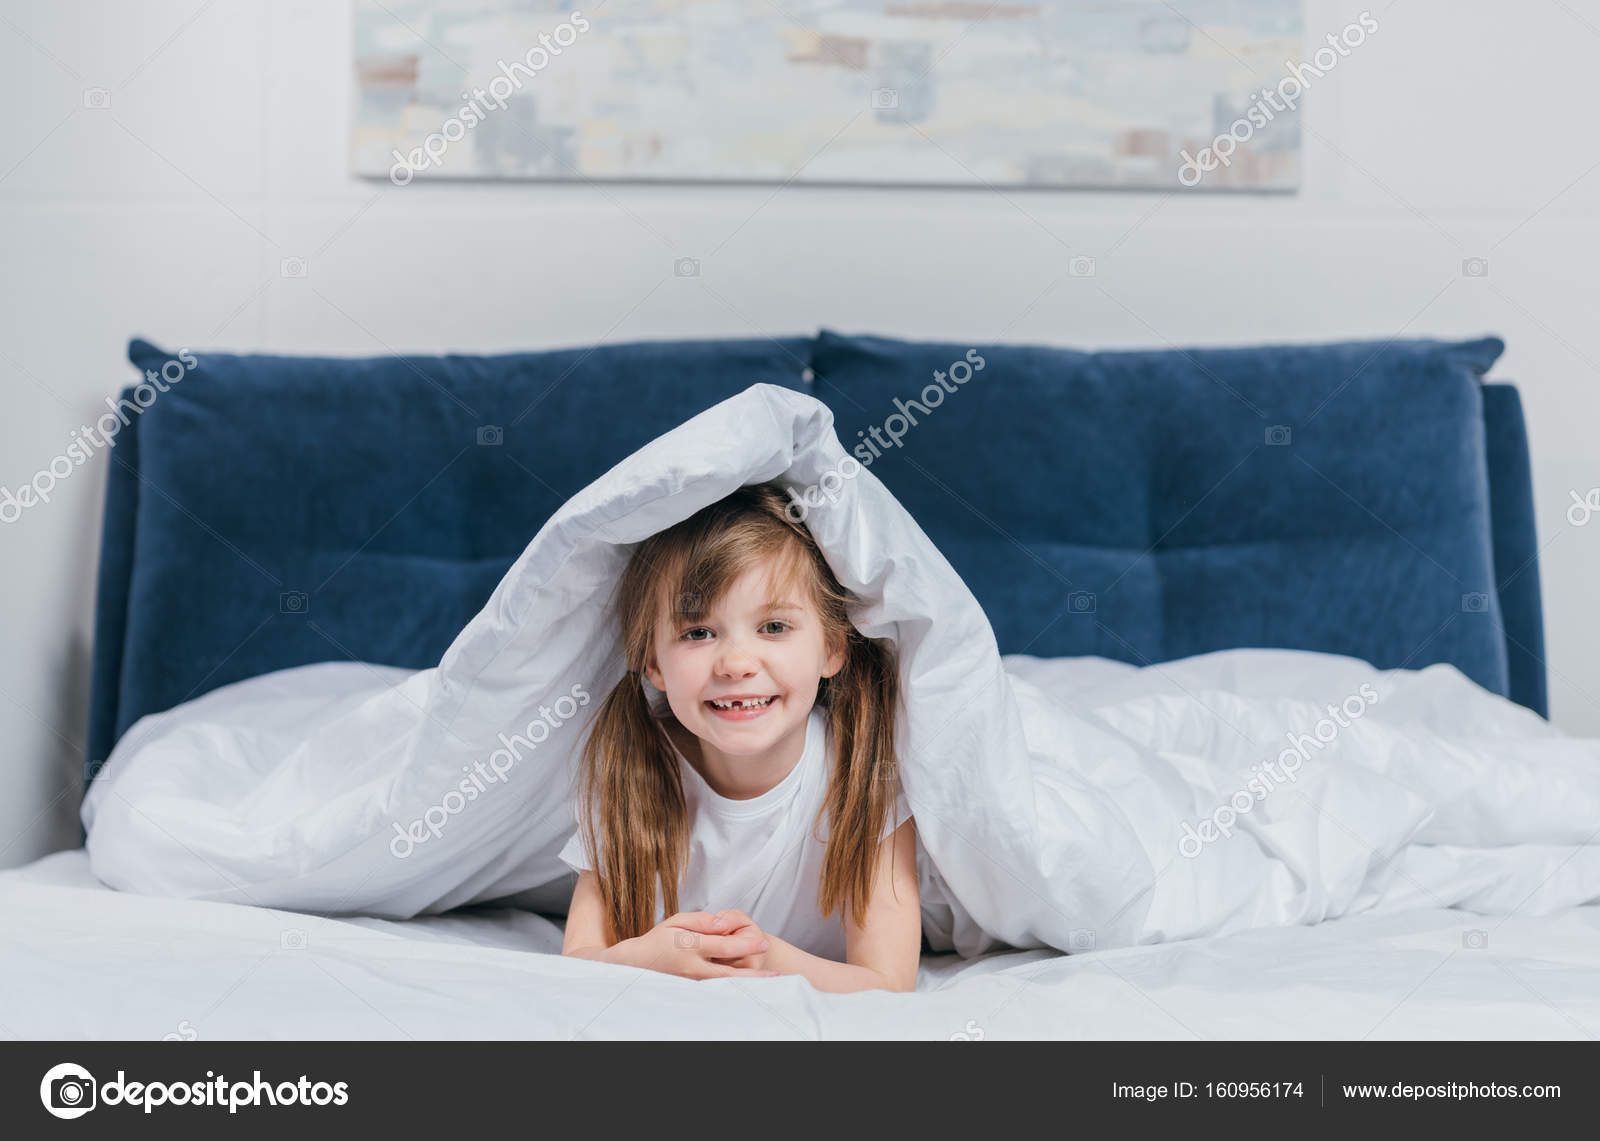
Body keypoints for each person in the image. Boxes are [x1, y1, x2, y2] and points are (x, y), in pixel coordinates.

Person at [560, 481, 920, 993]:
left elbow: (888, 982)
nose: (736, 664)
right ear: (653, 664)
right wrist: (644, 958)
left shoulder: (864, 774)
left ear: (833, 649)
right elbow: (577, 960)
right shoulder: (630, 769)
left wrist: (764, 957)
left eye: (773, 626)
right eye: (698, 633)